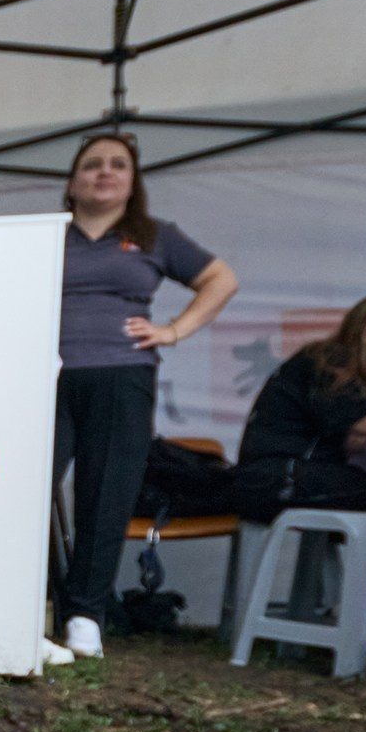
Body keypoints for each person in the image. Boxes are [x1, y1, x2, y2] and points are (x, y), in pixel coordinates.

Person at [52, 133, 239, 657]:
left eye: (118, 165)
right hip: (49, 376)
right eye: (92, 164)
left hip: (123, 374)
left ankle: (85, 615)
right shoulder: (50, 234)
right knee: (30, 489)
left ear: (133, 183)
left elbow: (221, 279)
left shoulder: (155, 235)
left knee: (106, 493)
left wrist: (174, 330)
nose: (105, 172)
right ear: (72, 181)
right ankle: (38, 602)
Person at [230, 290, 366, 523]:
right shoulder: (329, 360)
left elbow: (347, 432)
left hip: (274, 477)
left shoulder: (336, 363)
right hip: (273, 479)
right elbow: (365, 421)